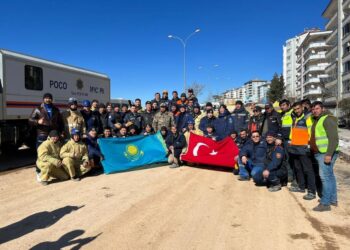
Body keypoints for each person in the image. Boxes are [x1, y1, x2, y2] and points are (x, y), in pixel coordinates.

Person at [310, 101, 339, 212]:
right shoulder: (318, 119)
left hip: (325, 153)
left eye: (317, 109)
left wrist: (328, 154)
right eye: (313, 109)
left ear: (322, 109)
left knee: (325, 177)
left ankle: (325, 203)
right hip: (321, 153)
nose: (314, 111)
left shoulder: (327, 119)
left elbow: (334, 138)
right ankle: (332, 199)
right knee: (330, 176)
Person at [29, 92, 64, 181]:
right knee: (40, 154)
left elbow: (60, 122)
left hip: (53, 135)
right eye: (46, 98)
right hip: (42, 135)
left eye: (49, 98)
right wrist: (37, 122)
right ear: (43, 99)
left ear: (52, 99)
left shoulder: (56, 109)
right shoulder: (37, 109)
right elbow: (30, 120)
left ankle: (50, 171)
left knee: (53, 153)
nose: (48, 99)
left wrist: (62, 131)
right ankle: (38, 172)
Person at [288, 102, 316, 201]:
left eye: (298, 108)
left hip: (304, 148)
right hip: (295, 148)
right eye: (295, 109)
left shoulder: (307, 118)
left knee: (308, 170)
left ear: (302, 108)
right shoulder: (295, 118)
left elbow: (311, 133)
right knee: (298, 168)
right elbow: (293, 132)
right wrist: (290, 141)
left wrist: (309, 145)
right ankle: (301, 187)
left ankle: (312, 191)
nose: (297, 111)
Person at [279, 99, 294, 183]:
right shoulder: (283, 114)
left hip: (290, 140)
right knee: (286, 158)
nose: (282, 107)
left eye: (284, 105)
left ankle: (292, 176)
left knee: (290, 158)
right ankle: (289, 176)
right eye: (281, 105)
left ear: (288, 105)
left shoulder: (292, 113)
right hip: (284, 139)